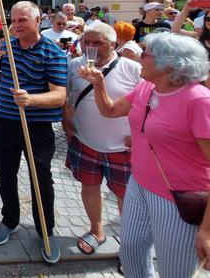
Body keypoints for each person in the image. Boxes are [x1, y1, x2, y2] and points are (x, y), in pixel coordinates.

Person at [79, 33, 210, 276]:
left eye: (147, 54)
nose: (140, 57)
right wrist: (98, 84)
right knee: (130, 252)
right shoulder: (147, 87)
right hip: (138, 185)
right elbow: (110, 110)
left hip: (177, 197)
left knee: (174, 270)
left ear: (169, 63)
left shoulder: (200, 101)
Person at [0, 1, 67, 264]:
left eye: (22, 20)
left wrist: (31, 100)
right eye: (14, 20)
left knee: (40, 179)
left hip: (37, 127)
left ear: (38, 20)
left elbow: (59, 96)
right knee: (5, 175)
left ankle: (46, 230)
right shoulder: (7, 47)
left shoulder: (52, 52)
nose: (17, 25)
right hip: (5, 123)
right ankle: (9, 220)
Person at [63, 23, 140, 255]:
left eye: (98, 43)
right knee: (89, 185)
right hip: (85, 140)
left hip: (122, 146)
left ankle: (130, 242)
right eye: (87, 42)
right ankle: (96, 230)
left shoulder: (131, 68)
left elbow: (149, 105)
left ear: (114, 44)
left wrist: (139, 135)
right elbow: (67, 97)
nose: (90, 47)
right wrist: (66, 120)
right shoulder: (74, 65)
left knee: (125, 195)